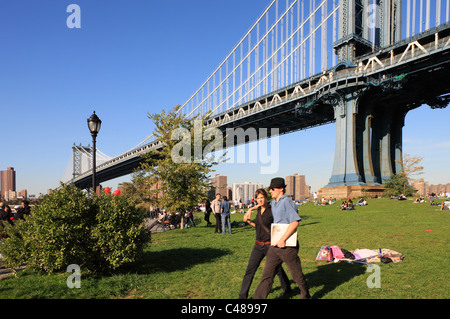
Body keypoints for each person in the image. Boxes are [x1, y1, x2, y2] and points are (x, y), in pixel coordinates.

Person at [253, 177, 311, 299]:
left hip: (287, 246)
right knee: (267, 274)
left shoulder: (286, 202)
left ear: (280, 189)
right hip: (275, 245)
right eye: (270, 189)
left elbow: (295, 222)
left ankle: (305, 295)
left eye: (272, 189)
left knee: (296, 275)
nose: (270, 191)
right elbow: (263, 204)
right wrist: (251, 209)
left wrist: (283, 239)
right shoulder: (274, 203)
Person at [239, 188, 291, 299]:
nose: (260, 200)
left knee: (277, 269)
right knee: (250, 270)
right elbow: (257, 226)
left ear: (266, 197)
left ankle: (287, 288)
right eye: (258, 198)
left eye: (262, 197)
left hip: (269, 245)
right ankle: (242, 297)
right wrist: (248, 221)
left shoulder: (272, 209)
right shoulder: (258, 210)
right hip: (257, 245)